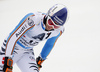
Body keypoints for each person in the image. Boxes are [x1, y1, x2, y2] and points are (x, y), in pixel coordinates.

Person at [0, 4, 68, 72]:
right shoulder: (33, 19)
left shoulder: (58, 30)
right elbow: (13, 37)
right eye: (50, 22)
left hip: (27, 52)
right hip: (12, 48)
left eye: (56, 26)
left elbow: (49, 44)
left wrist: (41, 60)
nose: (51, 27)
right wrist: (8, 59)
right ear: (47, 15)